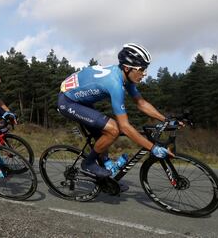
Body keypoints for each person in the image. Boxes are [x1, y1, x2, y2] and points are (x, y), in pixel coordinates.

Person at [58, 43, 174, 178]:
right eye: (141, 69)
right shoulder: (115, 83)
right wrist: (153, 148)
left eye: (146, 69)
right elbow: (124, 126)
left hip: (82, 100)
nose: (145, 73)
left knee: (104, 132)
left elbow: (141, 103)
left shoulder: (125, 76)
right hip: (68, 101)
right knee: (114, 129)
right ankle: (88, 163)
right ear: (127, 68)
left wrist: (166, 120)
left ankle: (106, 170)